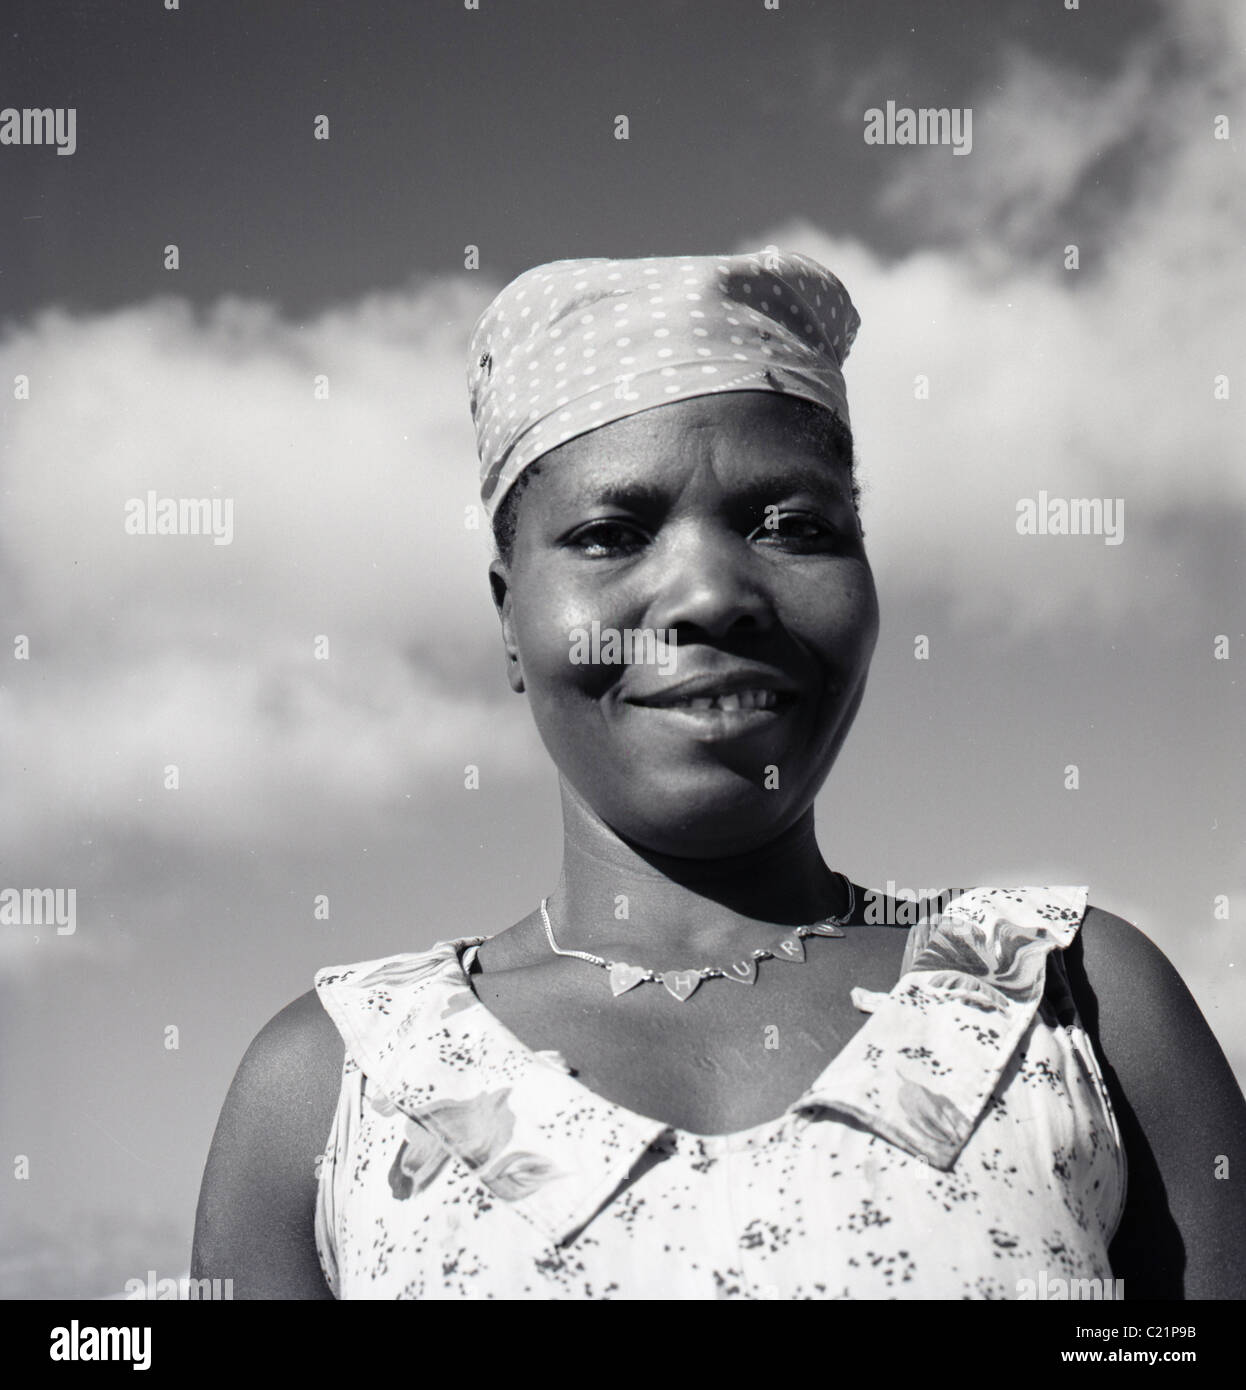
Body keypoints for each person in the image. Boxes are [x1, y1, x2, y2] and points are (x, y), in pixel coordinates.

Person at [192, 248, 1246, 1300]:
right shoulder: (336, 1087)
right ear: (509, 619)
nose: (707, 592)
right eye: (611, 534)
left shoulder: (1070, 1000)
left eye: (792, 526)